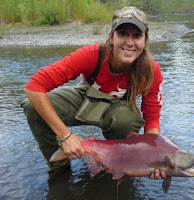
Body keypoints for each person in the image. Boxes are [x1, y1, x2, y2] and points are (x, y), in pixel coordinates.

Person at [21, 6, 165, 180]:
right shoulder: (91, 55)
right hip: (84, 100)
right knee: (32, 106)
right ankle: (59, 167)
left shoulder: (152, 71)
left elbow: (152, 120)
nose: (130, 42)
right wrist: (65, 136)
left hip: (116, 112)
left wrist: (154, 159)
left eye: (137, 35)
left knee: (126, 120)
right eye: (123, 33)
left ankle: (118, 165)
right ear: (111, 37)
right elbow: (34, 86)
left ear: (145, 40)